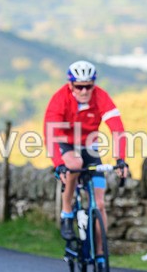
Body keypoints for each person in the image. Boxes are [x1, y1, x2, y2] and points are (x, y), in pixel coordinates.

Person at [44, 60, 128, 256]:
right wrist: (59, 165)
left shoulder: (100, 96)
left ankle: (99, 253)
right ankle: (66, 212)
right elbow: (50, 135)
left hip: (89, 147)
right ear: (70, 85)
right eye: (79, 86)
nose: (83, 91)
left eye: (88, 86)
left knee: (99, 203)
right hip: (65, 143)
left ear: (93, 84)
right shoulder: (60, 99)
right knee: (75, 163)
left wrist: (120, 159)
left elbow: (117, 129)